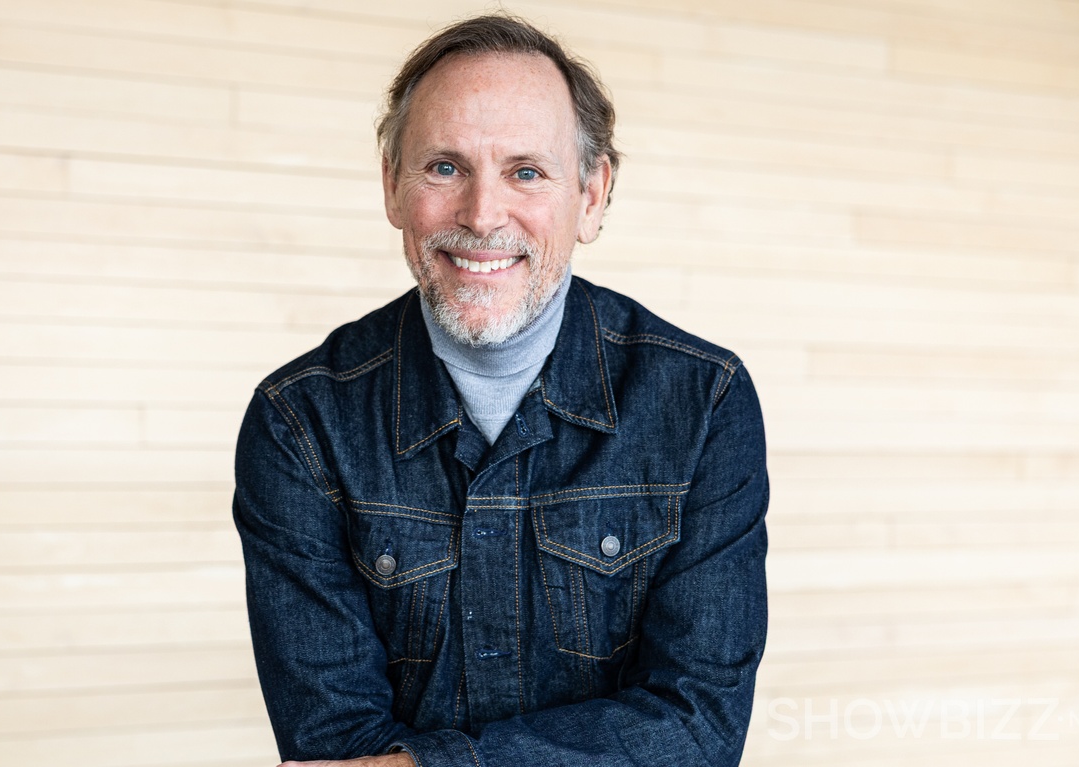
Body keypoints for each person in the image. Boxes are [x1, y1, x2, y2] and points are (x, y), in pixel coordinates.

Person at [233, 14, 768, 767]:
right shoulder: (300, 423)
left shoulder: (703, 403)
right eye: (444, 167)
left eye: (526, 172)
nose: (482, 216)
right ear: (392, 186)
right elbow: (335, 746)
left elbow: (699, 729)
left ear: (591, 196)